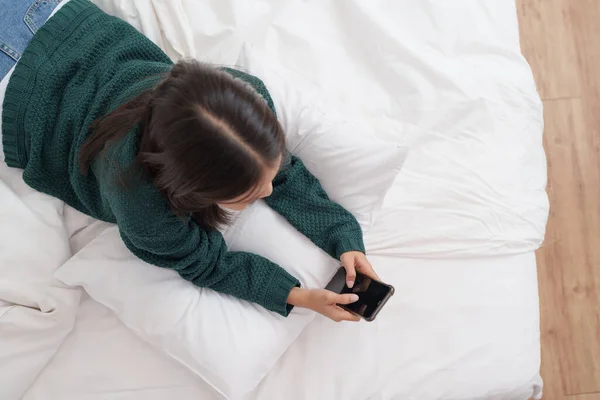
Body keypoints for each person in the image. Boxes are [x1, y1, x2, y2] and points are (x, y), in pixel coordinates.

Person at [0, 0, 379, 322]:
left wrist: (343, 238)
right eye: (248, 194)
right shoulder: (141, 202)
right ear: (187, 186)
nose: (269, 188)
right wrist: (298, 296)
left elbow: (284, 174)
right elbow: (206, 264)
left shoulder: (244, 99)